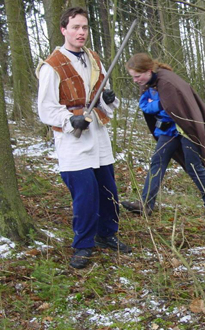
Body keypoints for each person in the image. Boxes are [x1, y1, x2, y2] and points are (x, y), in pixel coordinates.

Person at [36, 7, 131, 269]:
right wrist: (69, 120)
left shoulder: (93, 59)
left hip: (98, 135)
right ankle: (83, 245)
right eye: (75, 27)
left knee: (108, 189)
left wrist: (108, 100)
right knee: (85, 194)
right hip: (73, 140)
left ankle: (107, 234)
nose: (81, 32)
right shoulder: (51, 66)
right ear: (64, 29)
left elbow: (102, 93)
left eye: (85, 27)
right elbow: (46, 108)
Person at [122, 53, 205, 216]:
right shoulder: (148, 83)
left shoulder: (168, 81)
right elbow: (149, 106)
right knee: (157, 162)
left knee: (194, 167)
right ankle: (146, 205)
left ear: (148, 70)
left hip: (186, 129)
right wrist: (158, 106)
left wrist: (158, 105)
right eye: (133, 77)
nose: (135, 80)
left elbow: (179, 107)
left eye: (137, 76)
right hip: (168, 130)